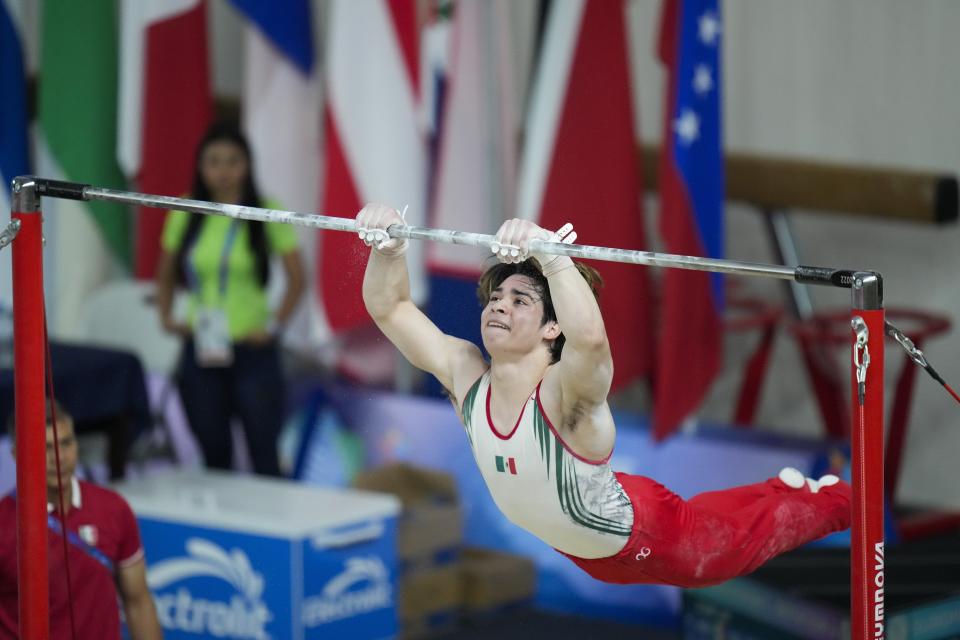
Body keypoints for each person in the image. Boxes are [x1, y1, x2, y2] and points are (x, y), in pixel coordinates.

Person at [356, 204, 851, 588]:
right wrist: (387, 250)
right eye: (496, 298)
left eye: (519, 299)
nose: (498, 307)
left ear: (553, 327)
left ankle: (845, 500)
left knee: (736, 543)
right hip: (587, 552)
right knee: (715, 514)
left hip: (654, 540)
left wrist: (553, 258)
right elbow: (391, 308)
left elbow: (591, 341)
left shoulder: (562, 394)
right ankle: (780, 490)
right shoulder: (466, 376)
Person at [155, 123, 305, 476]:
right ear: (200, 167)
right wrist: (166, 316)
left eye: (233, 161)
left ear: (248, 165)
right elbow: (164, 270)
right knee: (213, 453)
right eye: (214, 162)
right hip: (202, 346)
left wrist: (273, 327)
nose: (223, 171)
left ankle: (269, 528)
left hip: (252, 349)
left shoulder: (266, 211)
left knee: (264, 454)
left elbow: (298, 278)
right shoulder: (185, 210)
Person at [0, 400, 163, 639]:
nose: (59, 456)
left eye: (66, 443)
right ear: (17, 454)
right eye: (44, 447)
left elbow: (138, 603)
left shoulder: (113, 508)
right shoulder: (3, 522)